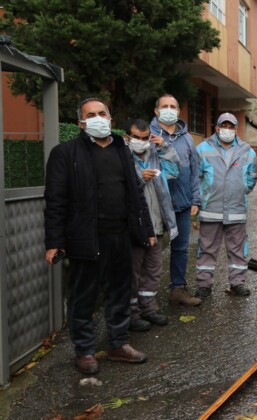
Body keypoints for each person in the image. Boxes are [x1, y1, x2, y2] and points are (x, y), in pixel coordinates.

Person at [44, 98, 152, 374]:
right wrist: (54, 242)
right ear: (81, 122)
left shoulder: (121, 150)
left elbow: (136, 194)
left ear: (110, 118)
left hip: (120, 236)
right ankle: (85, 350)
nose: (97, 118)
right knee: (84, 296)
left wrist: (146, 230)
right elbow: (55, 200)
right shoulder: (65, 153)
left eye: (101, 113)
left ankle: (118, 343)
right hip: (85, 238)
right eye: (90, 114)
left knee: (119, 292)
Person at [194, 113, 257, 297]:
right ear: (217, 128)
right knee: (206, 249)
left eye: (231, 126)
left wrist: (242, 188)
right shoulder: (203, 148)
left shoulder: (247, 150)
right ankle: (204, 285)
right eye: (224, 126)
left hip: (236, 210)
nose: (227, 130)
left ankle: (237, 283)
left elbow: (253, 176)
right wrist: (202, 197)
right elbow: (196, 177)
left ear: (236, 129)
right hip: (210, 209)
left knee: (237, 250)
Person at [124, 119, 181, 331]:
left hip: (156, 225)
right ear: (127, 138)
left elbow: (176, 169)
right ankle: (132, 313)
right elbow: (120, 187)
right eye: (136, 138)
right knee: (133, 272)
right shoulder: (123, 158)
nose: (140, 142)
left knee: (154, 269)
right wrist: (140, 178)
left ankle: (149, 308)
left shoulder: (154, 155)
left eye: (144, 138)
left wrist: (164, 146)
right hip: (135, 229)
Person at [150, 94, 202, 307]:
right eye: (165, 106)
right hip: (154, 204)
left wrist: (195, 200)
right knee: (150, 251)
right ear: (156, 111)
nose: (169, 109)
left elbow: (194, 170)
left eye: (173, 106)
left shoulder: (187, 137)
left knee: (180, 248)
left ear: (179, 111)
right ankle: (147, 298)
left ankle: (177, 289)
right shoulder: (147, 134)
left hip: (181, 203)